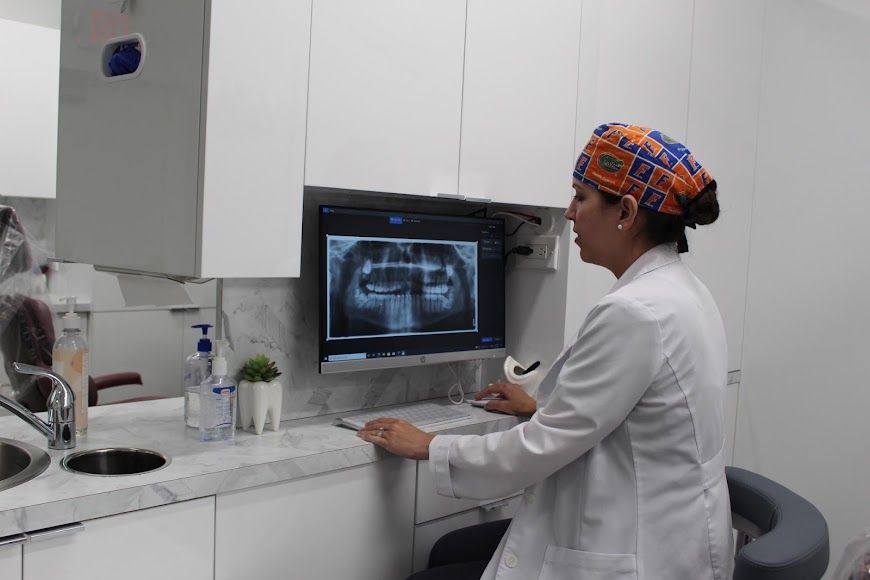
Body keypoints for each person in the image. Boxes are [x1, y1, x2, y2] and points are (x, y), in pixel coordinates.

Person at [358, 123, 732, 580]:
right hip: (667, 532)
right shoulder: (682, 290)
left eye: (581, 197)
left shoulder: (637, 312)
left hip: (633, 551)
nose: (570, 213)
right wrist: (541, 408)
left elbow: (540, 449)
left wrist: (432, 446)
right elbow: (636, 415)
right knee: (448, 552)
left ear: (626, 211)